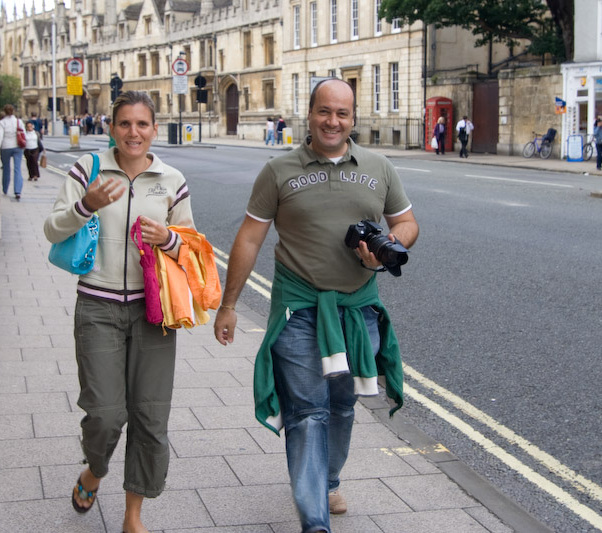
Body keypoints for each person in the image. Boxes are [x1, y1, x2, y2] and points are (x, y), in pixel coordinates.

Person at [213, 78, 418, 533]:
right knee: (307, 411)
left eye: (342, 113)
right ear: (309, 114)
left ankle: (327, 481)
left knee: (343, 406)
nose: (333, 121)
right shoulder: (279, 170)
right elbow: (250, 236)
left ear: (353, 118)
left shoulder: (379, 167)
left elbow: (406, 223)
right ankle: (314, 521)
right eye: (325, 111)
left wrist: (386, 245)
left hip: (358, 309)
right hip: (300, 308)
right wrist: (228, 305)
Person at [44, 91, 194, 533]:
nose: (134, 133)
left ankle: (133, 516)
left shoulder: (172, 179)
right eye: (125, 124)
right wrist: (85, 205)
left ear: (154, 128)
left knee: (150, 416)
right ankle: (94, 470)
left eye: (142, 124)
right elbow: (52, 228)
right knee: (106, 414)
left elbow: (192, 248)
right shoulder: (87, 170)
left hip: (154, 312)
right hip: (98, 305)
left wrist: (167, 238)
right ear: (112, 128)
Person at [0, 104, 25, 200]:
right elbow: (23, 134)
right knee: (17, 169)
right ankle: (17, 191)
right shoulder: (19, 121)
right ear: (13, 111)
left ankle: (5, 189)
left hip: (5, 147)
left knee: (6, 168)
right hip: (17, 146)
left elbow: (0, 136)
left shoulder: (2, 122)